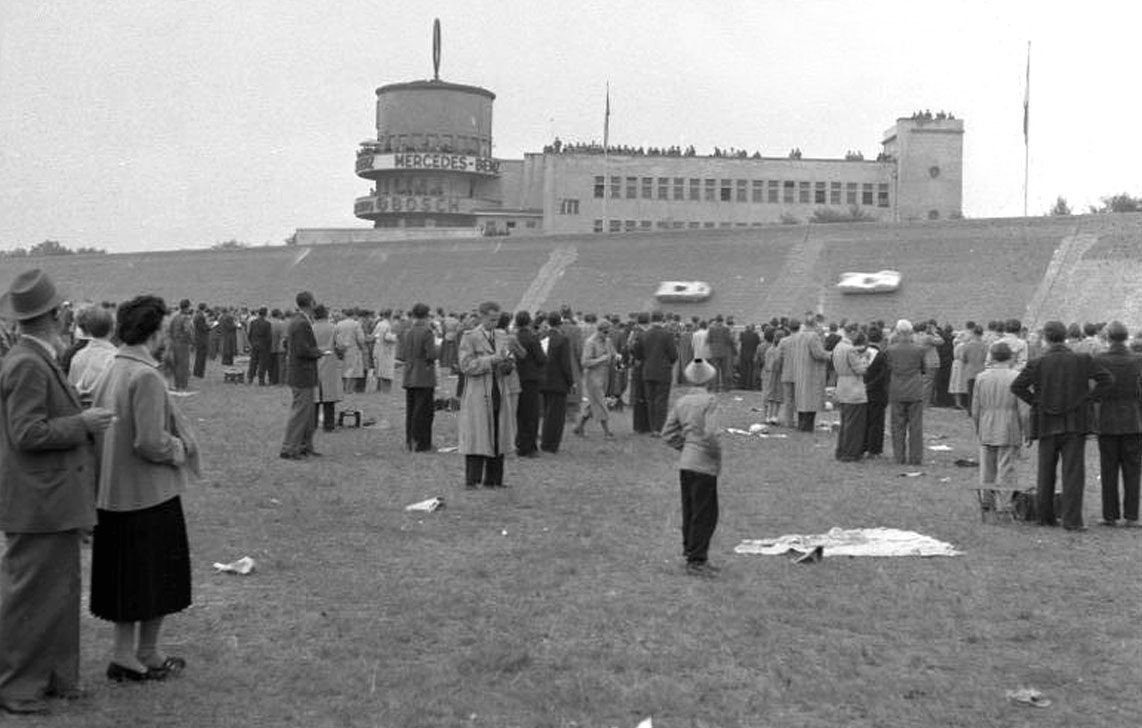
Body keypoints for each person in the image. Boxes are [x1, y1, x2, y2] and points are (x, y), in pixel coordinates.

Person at [0, 270, 115, 714]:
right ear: (52, 314)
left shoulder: (34, 355)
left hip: (51, 501)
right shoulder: (28, 362)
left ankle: (57, 678)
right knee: (31, 598)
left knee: (62, 594)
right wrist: (80, 424)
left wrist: (74, 415)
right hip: (38, 502)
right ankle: (16, 687)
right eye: (63, 310)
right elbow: (27, 432)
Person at [89, 295, 198, 684]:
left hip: (114, 494)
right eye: (163, 331)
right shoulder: (147, 376)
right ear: (153, 334)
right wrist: (180, 448)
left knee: (127, 581)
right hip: (148, 496)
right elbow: (150, 442)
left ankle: (132, 652)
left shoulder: (112, 368)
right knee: (156, 580)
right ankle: (139, 653)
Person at [1011, 320, 1113, 530]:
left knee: (1045, 471)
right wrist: (1089, 399)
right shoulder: (1081, 360)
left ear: (1046, 338)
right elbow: (1107, 379)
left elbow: (1017, 386)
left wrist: (1036, 403)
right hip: (1075, 423)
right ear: (1064, 336)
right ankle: (1072, 520)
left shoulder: (1038, 362)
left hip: (1047, 422)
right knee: (1073, 473)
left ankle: (1044, 516)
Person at [661, 359, 721, 576]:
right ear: (709, 378)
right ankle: (697, 560)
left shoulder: (681, 402)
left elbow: (667, 434)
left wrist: (686, 447)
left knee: (690, 510)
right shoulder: (709, 401)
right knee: (706, 514)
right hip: (704, 464)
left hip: (686, 462)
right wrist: (714, 454)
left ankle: (691, 552)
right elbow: (712, 434)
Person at [458, 301, 516, 487]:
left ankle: (494, 480)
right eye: (492, 319)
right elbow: (466, 365)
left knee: (499, 432)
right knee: (478, 435)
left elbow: (508, 358)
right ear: (482, 317)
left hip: (499, 390)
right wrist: (491, 360)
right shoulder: (470, 337)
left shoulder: (501, 335)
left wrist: (508, 365)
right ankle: (472, 480)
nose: (495, 323)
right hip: (479, 394)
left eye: (497, 319)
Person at [1092, 321, 1142, 526]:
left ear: (1108, 338)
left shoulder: (1100, 359)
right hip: (1132, 418)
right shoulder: (1138, 360)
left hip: (1107, 418)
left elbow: (1095, 388)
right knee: (1133, 469)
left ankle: (1110, 514)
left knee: (1108, 468)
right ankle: (1131, 516)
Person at [970, 342, 1024, 512]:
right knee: (1007, 466)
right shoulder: (1016, 376)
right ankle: (1005, 503)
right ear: (1010, 357)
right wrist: (1026, 430)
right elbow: (1024, 410)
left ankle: (987, 500)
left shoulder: (981, 377)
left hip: (987, 422)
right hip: (1009, 424)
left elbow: (975, 408)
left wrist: (978, 427)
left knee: (987, 467)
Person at [279, 291, 327, 460]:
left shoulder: (298, 320)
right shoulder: (301, 323)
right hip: (302, 375)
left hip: (301, 374)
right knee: (300, 413)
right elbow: (302, 349)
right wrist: (318, 352)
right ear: (311, 303)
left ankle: (304, 445)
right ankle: (289, 448)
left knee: (307, 414)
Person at [885, 320, 927, 465]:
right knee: (916, 426)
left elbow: (888, 367)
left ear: (897, 332)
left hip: (897, 389)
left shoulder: (890, 350)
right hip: (915, 389)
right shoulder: (920, 349)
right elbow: (924, 369)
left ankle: (899, 457)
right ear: (911, 332)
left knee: (897, 425)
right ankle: (915, 458)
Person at [399, 303, 438, 452]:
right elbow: (431, 355)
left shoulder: (408, 331)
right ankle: (422, 443)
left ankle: (410, 440)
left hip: (410, 374)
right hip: (423, 375)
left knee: (411, 410)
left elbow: (403, 354)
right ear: (426, 316)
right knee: (424, 411)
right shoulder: (427, 332)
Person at [633, 311, 678, 434]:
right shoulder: (668, 335)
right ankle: (659, 428)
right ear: (662, 319)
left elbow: (638, 354)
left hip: (647, 371)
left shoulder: (643, 335)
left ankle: (653, 427)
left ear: (652, 320)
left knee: (650, 400)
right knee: (661, 400)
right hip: (663, 371)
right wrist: (669, 363)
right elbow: (674, 355)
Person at [832, 325, 871, 461]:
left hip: (842, 385)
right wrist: (865, 360)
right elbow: (860, 370)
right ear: (852, 332)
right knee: (854, 424)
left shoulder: (838, 346)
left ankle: (841, 450)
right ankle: (851, 453)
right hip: (854, 388)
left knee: (845, 422)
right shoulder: (850, 350)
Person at [574, 318, 617, 438]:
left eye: (609, 332)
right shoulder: (590, 342)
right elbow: (585, 362)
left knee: (592, 403)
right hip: (593, 377)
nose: (607, 335)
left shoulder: (608, 341)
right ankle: (607, 432)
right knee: (600, 402)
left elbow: (612, 353)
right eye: (606, 332)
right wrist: (601, 359)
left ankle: (579, 427)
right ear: (599, 331)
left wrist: (616, 356)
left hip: (604, 375)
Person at [67, 305, 117, 407]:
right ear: (112, 330)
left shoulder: (77, 356)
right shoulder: (116, 358)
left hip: (81, 412)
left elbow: (71, 389)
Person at [786, 319, 830, 432]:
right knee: (811, 402)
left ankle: (801, 425)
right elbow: (818, 354)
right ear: (815, 326)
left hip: (800, 372)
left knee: (801, 402)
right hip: (811, 373)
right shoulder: (813, 336)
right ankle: (807, 427)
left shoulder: (798, 336)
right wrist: (830, 354)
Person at [539, 311, 574, 454]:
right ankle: (551, 443)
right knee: (556, 416)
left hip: (543, 380)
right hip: (558, 382)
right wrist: (570, 381)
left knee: (547, 413)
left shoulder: (541, 337)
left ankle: (544, 441)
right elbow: (565, 364)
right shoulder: (562, 340)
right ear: (560, 323)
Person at [513, 311, 546, 457]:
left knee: (520, 413)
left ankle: (520, 443)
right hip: (531, 378)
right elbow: (541, 358)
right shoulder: (532, 338)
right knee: (531, 414)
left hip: (517, 377)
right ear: (528, 322)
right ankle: (530, 446)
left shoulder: (514, 337)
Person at [312, 305, 341, 433]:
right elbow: (340, 345)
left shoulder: (311, 328)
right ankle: (329, 425)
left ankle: (312, 423)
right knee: (329, 396)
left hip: (314, 361)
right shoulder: (333, 328)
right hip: (329, 361)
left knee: (315, 395)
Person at [862, 328, 889, 458]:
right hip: (877, 393)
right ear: (881, 339)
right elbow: (884, 375)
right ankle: (874, 449)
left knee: (864, 420)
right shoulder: (881, 355)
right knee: (876, 423)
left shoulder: (862, 353)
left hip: (862, 390)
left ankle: (863, 446)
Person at [167, 299, 194, 390]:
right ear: (187, 307)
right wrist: (191, 341)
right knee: (184, 365)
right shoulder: (185, 318)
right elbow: (188, 331)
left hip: (174, 342)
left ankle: (177, 384)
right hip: (183, 343)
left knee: (177, 364)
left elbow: (170, 330)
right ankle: (183, 385)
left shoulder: (174, 317)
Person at [245, 307, 273, 386]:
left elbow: (250, 334)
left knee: (253, 362)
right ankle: (261, 380)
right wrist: (268, 346)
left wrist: (252, 343)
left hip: (254, 345)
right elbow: (269, 337)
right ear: (265, 314)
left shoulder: (253, 322)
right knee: (262, 363)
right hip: (263, 346)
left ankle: (250, 378)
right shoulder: (267, 324)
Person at [191, 302, 210, 378]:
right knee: (201, 357)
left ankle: (196, 372)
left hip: (198, 337)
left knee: (199, 356)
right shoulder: (201, 316)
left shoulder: (196, 315)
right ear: (204, 308)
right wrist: (209, 327)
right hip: (202, 338)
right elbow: (203, 328)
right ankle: (199, 373)